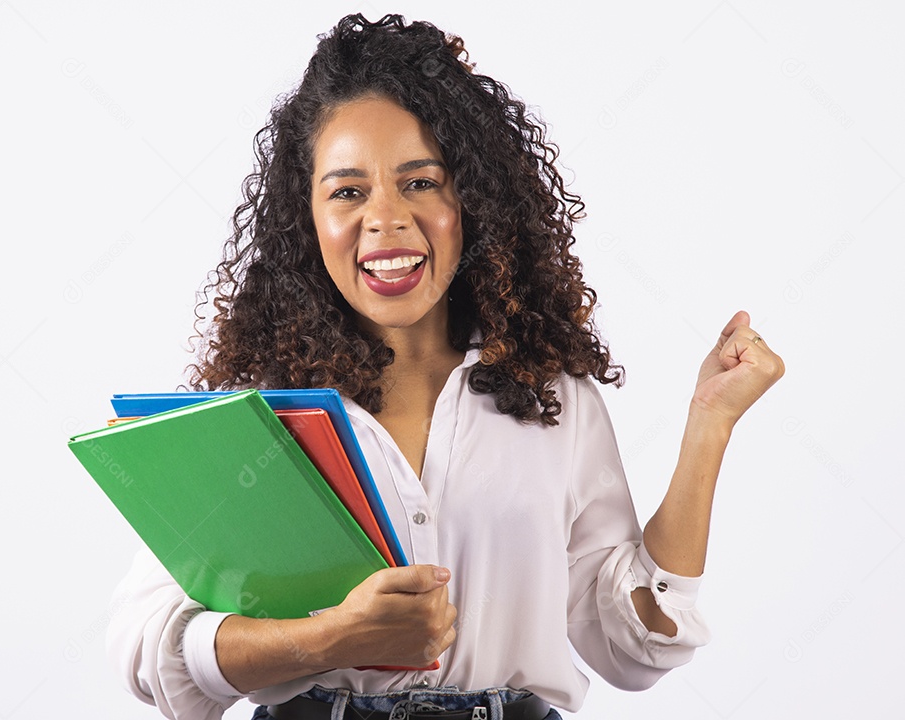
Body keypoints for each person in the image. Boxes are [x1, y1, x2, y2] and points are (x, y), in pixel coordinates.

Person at [106, 13, 785, 720]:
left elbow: (630, 646)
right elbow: (153, 648)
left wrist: (710, 425)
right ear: (305, 218)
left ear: (471, 200)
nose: (387, 219)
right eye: (347, 191)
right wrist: (331, 638)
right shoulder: (252, 414)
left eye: (421, 182)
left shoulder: (550, 395)